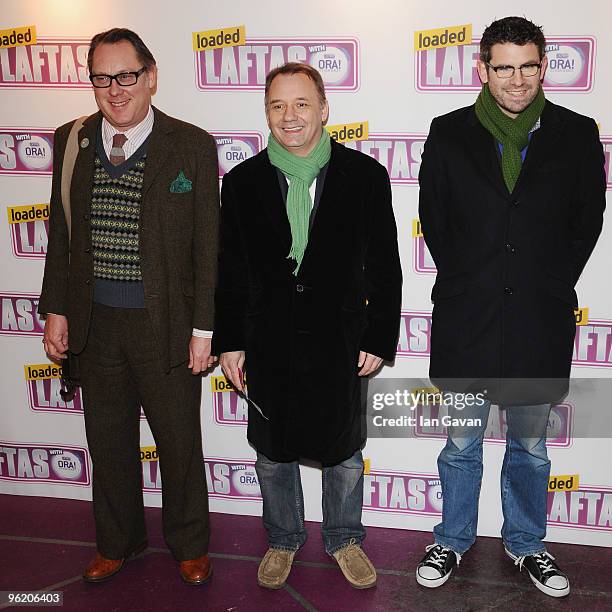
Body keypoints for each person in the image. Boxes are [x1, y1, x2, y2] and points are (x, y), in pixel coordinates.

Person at [416, 16, 605, 598]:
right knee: (462, 444)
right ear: (483, 69)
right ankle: (453, 538)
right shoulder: (448, 133)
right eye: (504, 67)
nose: (517, 79)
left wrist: (542, 281)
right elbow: (437, 222)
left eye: (528, 65)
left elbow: (586, 223)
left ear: (544, 66)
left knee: (530, 446)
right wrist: (477, 279)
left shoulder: (577, 133)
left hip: (538, 321)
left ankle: (527, 543)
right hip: (467, 317)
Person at [39, 28, 219, 585]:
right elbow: (61, 237)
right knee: (108, 442)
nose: (115, 90)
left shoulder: (190, 144)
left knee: (179, 443)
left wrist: (203, 329)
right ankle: (117, 541)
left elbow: (208, 247)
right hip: (96, 325)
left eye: (126, 76)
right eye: (101, 78)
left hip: (164, 326)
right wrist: (57, 309)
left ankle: (189, 544)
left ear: (151, 77)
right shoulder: (72, 141)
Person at [213, 62, 402, 590]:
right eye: (277, 105)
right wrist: (229, 340)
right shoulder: (244, 182)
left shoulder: (364, 177)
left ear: (324, 109)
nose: (289, 116)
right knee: (273, 455)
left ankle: (344, 538)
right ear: (266, 113)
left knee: (343, 455)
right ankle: (283, 537)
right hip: (266, 341)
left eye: (301, 104)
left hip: (339, 341)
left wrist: (378, 336)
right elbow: (232, 268)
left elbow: (385, 266)